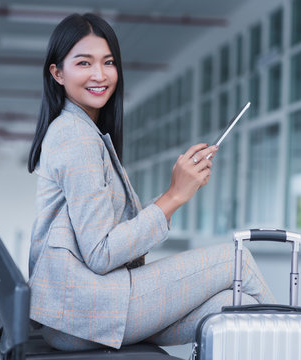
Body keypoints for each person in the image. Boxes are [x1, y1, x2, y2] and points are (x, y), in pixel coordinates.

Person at [27, 13, 275, 351]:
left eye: (108, 62)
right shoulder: (75, 137)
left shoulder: (82, 133)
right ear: (57, 73)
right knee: (237, 262)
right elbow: (101, 253)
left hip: (80, 313)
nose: (99, 75)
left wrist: (175, 191)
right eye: (84, 63)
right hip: (88, 312)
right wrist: (174, 196)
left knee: (236, 305)